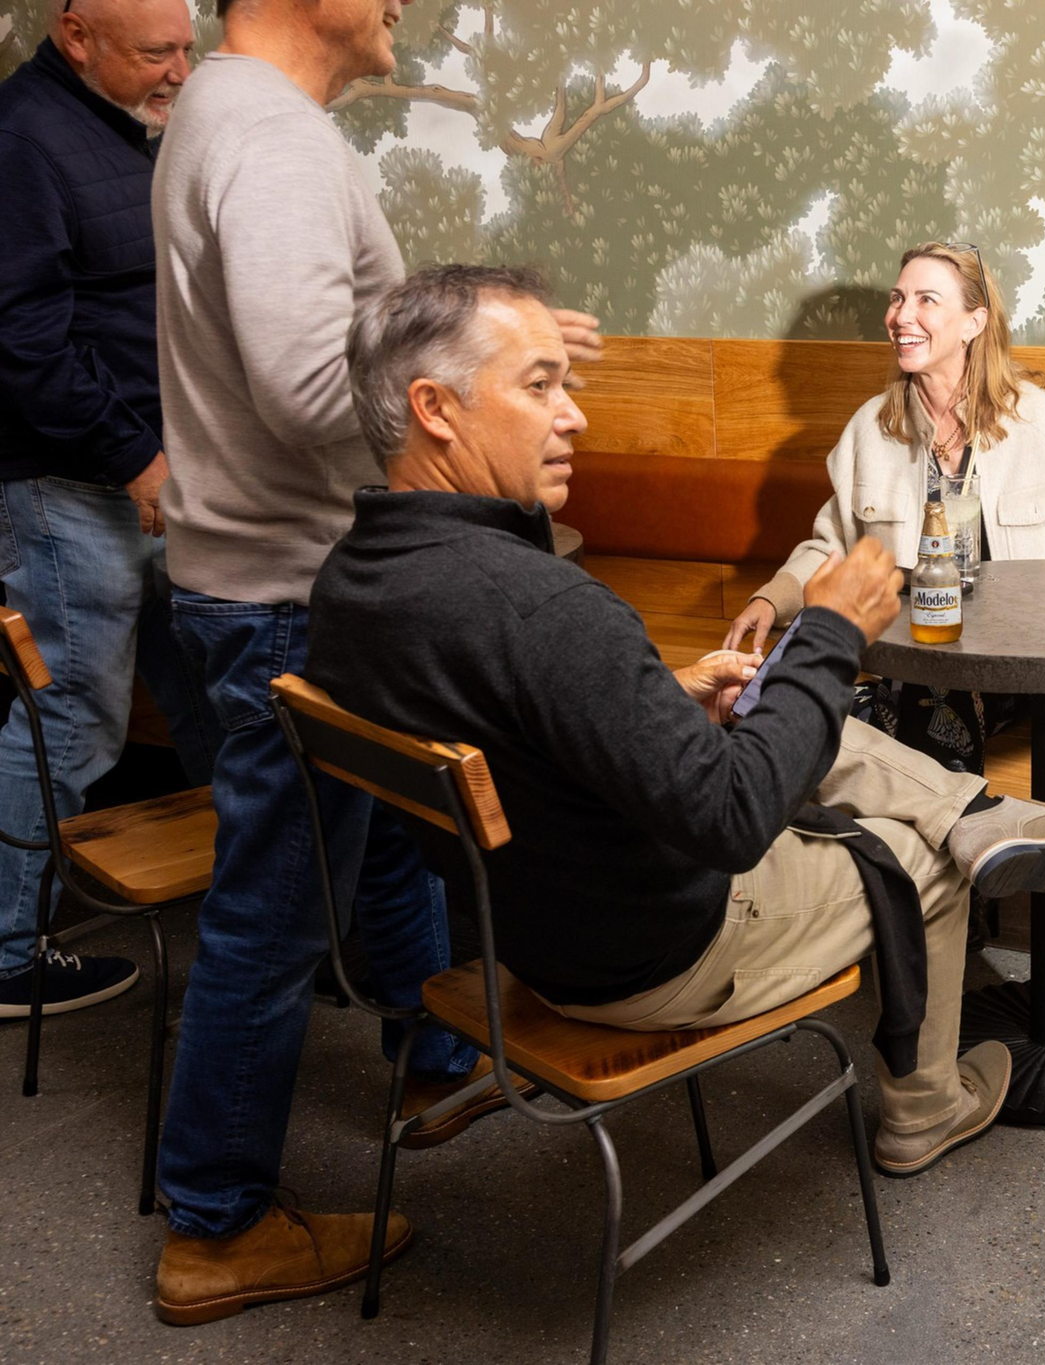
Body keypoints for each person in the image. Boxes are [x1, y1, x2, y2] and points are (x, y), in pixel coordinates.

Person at [305, 264, 1045, 1188]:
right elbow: (730, 817)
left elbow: (525, 718)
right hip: (655, 952)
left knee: (768, 707)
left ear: (976, 322)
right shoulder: (542, 608)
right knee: (920, 856)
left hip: (529, 938)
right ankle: (925, 1104)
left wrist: (662, 698)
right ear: (434, 408)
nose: (572, 414)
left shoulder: (349, 586)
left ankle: (976, 812)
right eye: (540, 384)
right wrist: (828, 631)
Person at [145, 0, 598, 1327]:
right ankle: (216, 1227)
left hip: (273, 580)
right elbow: (302, 387)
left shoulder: (227, 118)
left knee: (389, 837)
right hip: (289, 595)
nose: (401, 4)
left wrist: (479, 348)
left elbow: (326, 348)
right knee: (271, 923)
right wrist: (465, 421)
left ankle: (437, 1055)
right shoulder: (273, 139)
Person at [725, 241, 1045, 768]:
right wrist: (771, 600)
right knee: (750, 703)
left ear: (975, 322)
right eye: (897, 298)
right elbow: (833, 547)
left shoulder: (1042, 421)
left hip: (1024, 664)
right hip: (911, 661)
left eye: (926, 300)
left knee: (913, 697)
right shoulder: (869, 429)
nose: (901, 315)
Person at [0, 0, 211, 1019]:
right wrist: (136, 458)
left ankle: (257, 908)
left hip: (151, 475)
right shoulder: (25, 137)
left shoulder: (122, 126)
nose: (178, 70)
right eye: (154, 53)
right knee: (73, 714)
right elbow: (23, 340)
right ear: (76, 34)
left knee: (218, 682)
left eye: (185, 48)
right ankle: (4, 953)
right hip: (74, 483)